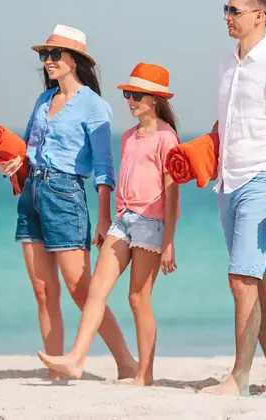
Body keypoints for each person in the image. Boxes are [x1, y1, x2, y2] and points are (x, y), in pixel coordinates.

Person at [0, 24, 137, 380]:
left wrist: (104, 219)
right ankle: (56, 370)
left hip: (66, 195)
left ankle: (125, 362)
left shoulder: (94, 106)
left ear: (75, 60)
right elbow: (27, 147)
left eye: (55, 54)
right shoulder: (43, 101)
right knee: (43, 291)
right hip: (32, 194)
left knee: (80, 290)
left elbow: (105, 167)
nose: (48, 61)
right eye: (44, 55)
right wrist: (14, 162)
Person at [37, 63, 181, 386]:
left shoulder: (167, 138)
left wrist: (169, 240)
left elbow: (172, 195)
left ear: (154, 100)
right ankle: (76, 358)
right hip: (123, 221)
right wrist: (105, 220)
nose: (129, 100)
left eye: (136, 95)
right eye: (128, 94)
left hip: (150, 225)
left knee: (137, 299)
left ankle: (144, 374)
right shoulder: (128, 137)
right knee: (96, 290)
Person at [200, 0, 266, 397]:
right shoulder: (228, 64)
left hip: (263, 178)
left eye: (235, 10)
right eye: (225, 8)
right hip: (228, 181)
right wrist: (203, 154)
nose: (227, 15)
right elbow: (227, 123)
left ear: (259, 16)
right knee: (257, 281)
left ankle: (238, 377)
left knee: (241, 279)